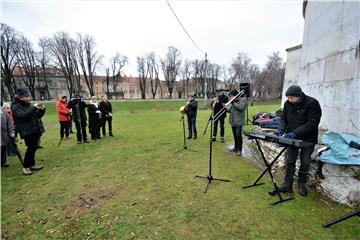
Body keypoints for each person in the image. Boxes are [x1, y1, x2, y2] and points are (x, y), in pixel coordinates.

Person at [272, 85, 322, 196]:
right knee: (290, 161)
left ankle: (301, 184)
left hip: (308, 138)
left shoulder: (312, 103)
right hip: (292, 137)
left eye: (291, 98)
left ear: (298, 96)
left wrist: (296, 132)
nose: (289, 100)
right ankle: (287, 184)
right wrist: (281, 130)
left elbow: (313, 122)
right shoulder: (287, 104)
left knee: (305, 162)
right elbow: (283, 118)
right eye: (288, 97)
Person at [11, 87, 45, 175]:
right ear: (20, 97)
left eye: (28, 96)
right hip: (26, 130)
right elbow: (24, 116)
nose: (28, 98)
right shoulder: (15, 106)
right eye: (26, 97)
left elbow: (36, 116)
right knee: (31, 148)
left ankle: (32, 164)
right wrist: (34, 108)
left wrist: (42, 110)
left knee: (34, 147)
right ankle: (26, 166)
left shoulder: (28, 105)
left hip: (34, 129)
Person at [226, 89, 247, 156]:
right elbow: (229, 110)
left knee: (238, 136)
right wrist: (225, 106)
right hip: (233, 121)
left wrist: (233, 103)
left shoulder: (243, 100)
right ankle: (235, 148)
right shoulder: (233, 102)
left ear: (235, 95)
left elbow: (241, 107)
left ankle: (239, 150)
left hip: (239, 121)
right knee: (235, 136)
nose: (230, 97)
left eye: (231, 96)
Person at [1, 101, 15, 167]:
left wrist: (12, 131)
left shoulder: (4, 113)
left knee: (3, 148)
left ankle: (3, 162)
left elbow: (9, 124)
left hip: (3, 135)